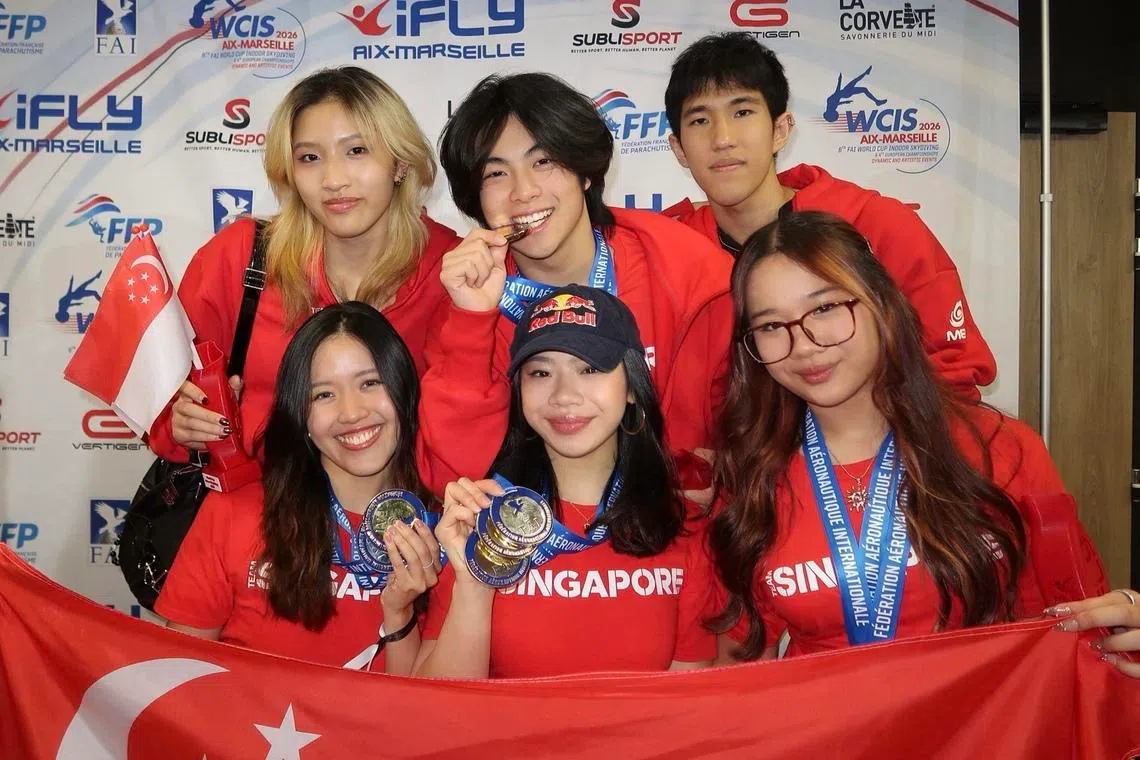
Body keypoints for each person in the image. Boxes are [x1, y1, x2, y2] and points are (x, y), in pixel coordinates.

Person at [707, 211, 1106, 661]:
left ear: (881, 303)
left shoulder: (999, 447)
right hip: (827, 728)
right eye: (771, 326)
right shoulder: (752, 477)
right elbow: (741, 667)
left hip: (986, 725)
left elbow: (1076, 622)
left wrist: (1126, 616)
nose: (804, 344)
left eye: (825, 308)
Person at [417, 72, 734, 494]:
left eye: (543, 161)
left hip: (671, 541)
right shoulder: (471, 303)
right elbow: (453, 478)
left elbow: (740, 444)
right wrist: (473, 322)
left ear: (585, 172)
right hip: (543, 546)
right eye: (495, 174)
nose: (523, 192)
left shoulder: (686, 274)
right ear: (475, 199)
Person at [148, 66, 459, 462]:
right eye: (310, 158)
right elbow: (165, 403)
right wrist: (180, 424)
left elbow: (472, 425)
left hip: (401, 516)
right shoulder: (241, 256)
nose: (333, 179)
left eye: (356, 151)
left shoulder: (454, 270)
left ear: (399, 162)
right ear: (290, 173)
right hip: (258, 512)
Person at [662, 32, 994, 397]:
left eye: (742, 112)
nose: (723, 139)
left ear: (780, 130)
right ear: (678, 148)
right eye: (699, 121)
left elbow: (953, 375)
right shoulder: (670, 253)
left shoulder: (877, 225)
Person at [413, 286, 716, 678]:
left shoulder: (683, 526)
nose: (564, 396)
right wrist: (475, 583)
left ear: (632, 389)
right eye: (540, 373)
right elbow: (436, 715)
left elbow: (688, 711)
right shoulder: (483, 521)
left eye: (589, 369)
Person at [156, 303, 441, 672]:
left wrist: (399, 612)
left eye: (370, 383)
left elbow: (425, 713)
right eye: (323, 394)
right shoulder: (234, 513)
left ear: (404, 391)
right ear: (300, 414)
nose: (351, 412)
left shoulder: (445, 524)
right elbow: (177, 677)